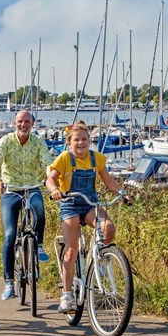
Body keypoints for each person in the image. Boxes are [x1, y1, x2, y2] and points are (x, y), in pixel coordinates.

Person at [45, 121, 130, 314]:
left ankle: (98, 261)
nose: (81, 143)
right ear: (69, 142)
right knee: (72, 249)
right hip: (69, 203)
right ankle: (66, 296)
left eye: (84, 139)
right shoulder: (64, 158)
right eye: (77, 140)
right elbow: (50, 179)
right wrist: (55, 190)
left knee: (108, 228)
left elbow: (108, 181)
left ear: (89, 141)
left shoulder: (97, 158)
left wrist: (122, 193)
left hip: (90, 203)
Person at [0, 110, 53, 300]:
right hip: (10, 190)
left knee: (39, 210)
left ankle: (39, 245)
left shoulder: (38, 141)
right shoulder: (6, 141)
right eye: (20, 121)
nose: (23, 125)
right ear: (14, 123)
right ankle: (9, 282)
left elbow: (46, 162)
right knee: (9, 234)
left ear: (33, 124)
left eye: (27, 121)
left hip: (31, 187)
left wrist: (52, 175)